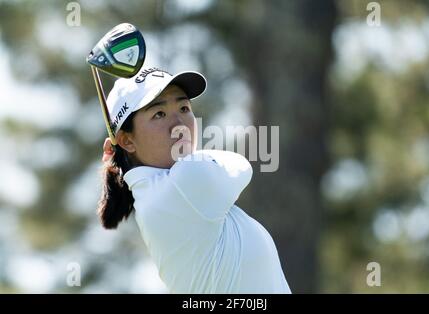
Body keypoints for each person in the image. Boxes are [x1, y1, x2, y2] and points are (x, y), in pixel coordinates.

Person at [97, 67, 291, 293]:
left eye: (184, 107)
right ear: (127, 141)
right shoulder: (185, 182)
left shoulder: (159, 194)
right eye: (159, 114)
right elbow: (243, 166)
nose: (179, 123)